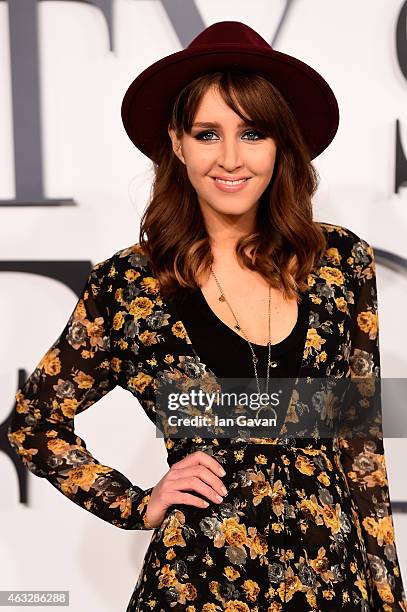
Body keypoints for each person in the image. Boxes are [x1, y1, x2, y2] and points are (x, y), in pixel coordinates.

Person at [8, 20, 407, 612]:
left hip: (334, 584)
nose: (229, 159)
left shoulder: (339, 263)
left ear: (280, 143)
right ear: (176, 141)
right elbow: (33, 422)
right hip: (196, 584)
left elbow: (360, 446)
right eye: (206, 133)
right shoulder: (129, 283)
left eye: (252, 133)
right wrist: (135, 502)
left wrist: (389, 595)